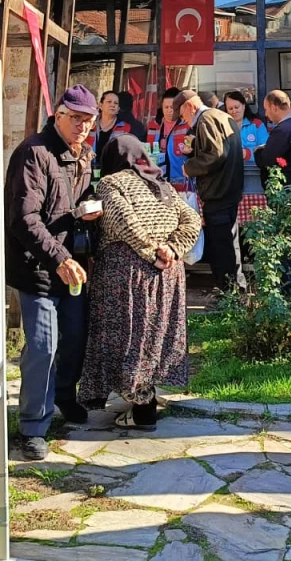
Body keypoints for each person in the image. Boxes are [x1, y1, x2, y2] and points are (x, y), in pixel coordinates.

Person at [4, 85, 103, 460]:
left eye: (87, 121)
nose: (81, 127)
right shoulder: (33, 153)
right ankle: (32, 427)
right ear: (58, 114)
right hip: (39, 269)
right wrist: (59, 258)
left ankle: (64, 396)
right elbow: (23, 219)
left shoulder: (83, 154)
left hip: (71, 266)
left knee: (75, 338)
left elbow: (73, 201)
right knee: (43, 346)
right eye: (75, 118)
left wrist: (88, 208)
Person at [80, 135, 201, 430]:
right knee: (154, 333)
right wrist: (172, 250)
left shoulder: (111, 183)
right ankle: (144, 398)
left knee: (128, 334)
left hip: (128, 272)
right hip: (167, 273)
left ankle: (143, 409)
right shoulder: (162, 184)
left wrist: (151, 252)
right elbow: (193, 221)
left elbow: (123, 222)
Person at [176, 88, 246, 291]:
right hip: (229, 190)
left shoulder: (206, 119)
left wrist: (189, 167)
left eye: (182, 116)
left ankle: (228, 293)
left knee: (221, 247)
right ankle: (234, 288)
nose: (184, 121)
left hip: (219, 192)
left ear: (190, 106)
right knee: (229, 244)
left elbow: (215, 155)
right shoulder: (221, 116)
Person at [224, 90, 268, 166]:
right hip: (229, 171)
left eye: (237, 107)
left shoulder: (257, 124)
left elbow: (266, 150)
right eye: (230, 109)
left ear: (244, 106)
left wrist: (247, 154)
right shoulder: (222, 126)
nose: (234, 111)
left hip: (254, 171)